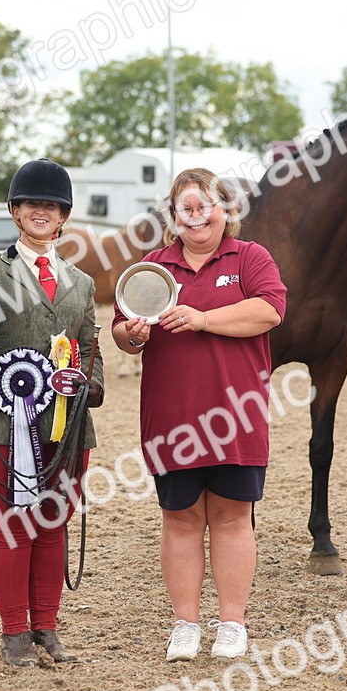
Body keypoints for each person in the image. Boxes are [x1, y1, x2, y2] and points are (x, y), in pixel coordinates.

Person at [111, 168, 286, 662]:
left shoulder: (250, 257)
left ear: (224, 209)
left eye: (205, 206)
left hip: (236, 417)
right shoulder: (153, 266)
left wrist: (203, 318)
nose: (196, 216)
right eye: (185, 208)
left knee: (232, 517)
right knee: (181, 519)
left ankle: (232, 623)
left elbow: (270, 311)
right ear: (172, 216)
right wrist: (133, 336)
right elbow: (121, 330)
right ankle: (185, 625)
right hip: (172, 418)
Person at [0, 158, 104, 668]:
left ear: (64, 216)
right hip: (3, 422)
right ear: (15, 212)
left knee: (53, 524)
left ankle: (46, 628)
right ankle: (14, 632)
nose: (42, 211)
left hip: (67, 424)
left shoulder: (81, 282)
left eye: (51, 206)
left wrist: (93, 384)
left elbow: (89, 347)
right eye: (32, 204)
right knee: (14, 524)